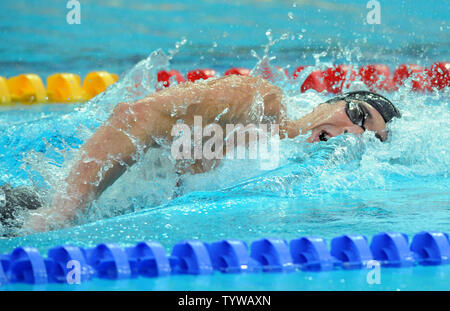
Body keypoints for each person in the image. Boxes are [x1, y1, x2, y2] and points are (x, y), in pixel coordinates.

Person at [3, 75, 400, 234]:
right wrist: (66, 209)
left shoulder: (300, 177)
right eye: (356, 114)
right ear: (332, 100)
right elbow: (136, 116)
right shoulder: (260, 102)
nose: (352, 131)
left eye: (366, 134)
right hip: (42, 209)